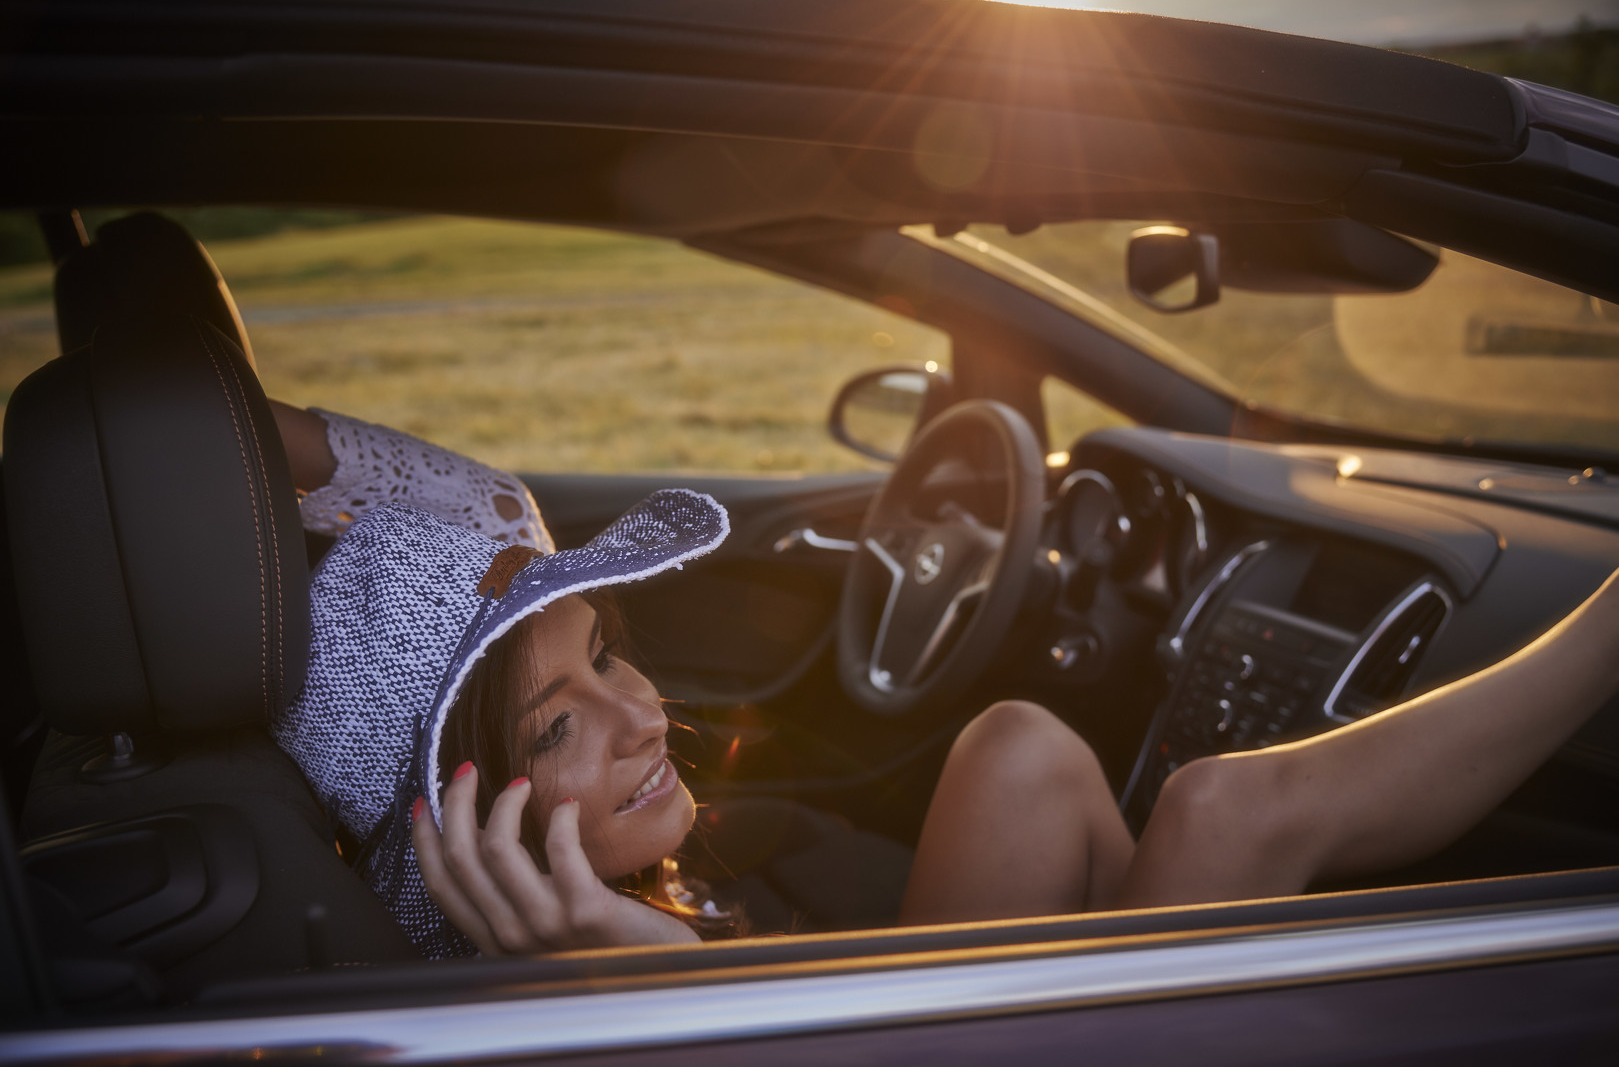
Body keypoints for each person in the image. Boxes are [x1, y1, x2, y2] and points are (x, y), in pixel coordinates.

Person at [269, 402, 1619, 957]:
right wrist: (652, 978)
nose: (642, 712)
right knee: (1222, 813)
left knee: (1018, 746)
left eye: (608, 653)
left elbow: (466, 502)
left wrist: (209, 405)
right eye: (560, 724)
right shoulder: (541, 987)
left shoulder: (581, 913)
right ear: (463, 819)